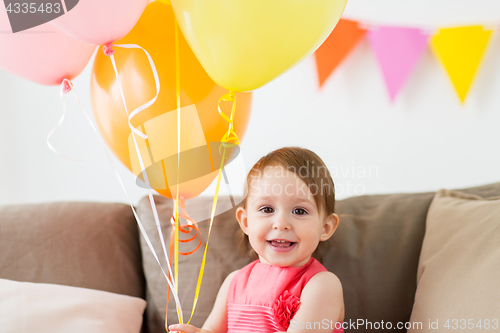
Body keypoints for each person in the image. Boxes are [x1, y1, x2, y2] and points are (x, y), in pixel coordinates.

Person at [169, 147, 345, 333]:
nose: (281, 223)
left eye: (299, 211)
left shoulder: (322, 285)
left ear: (326, 228)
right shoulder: (234, 283)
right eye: (267, 209)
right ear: (245, 222)